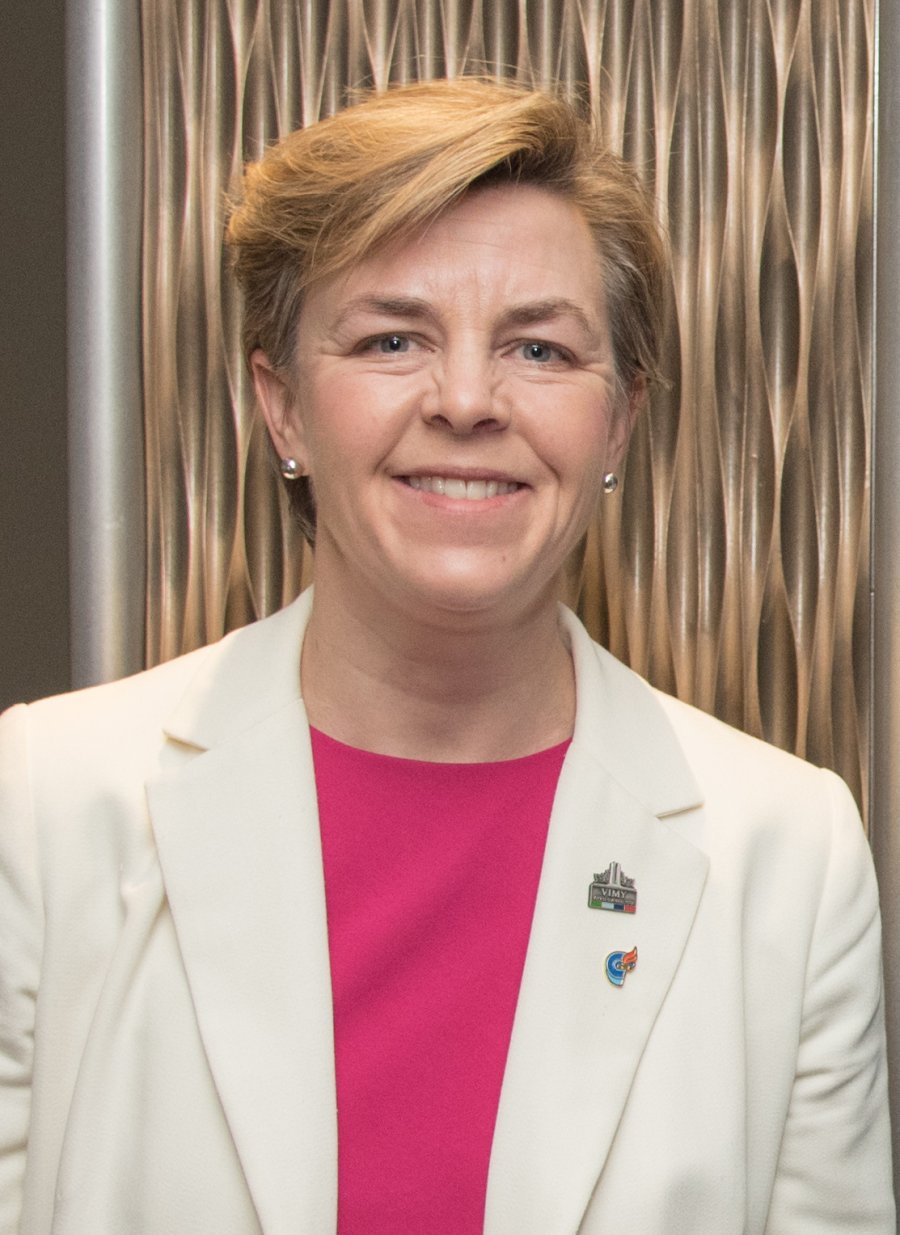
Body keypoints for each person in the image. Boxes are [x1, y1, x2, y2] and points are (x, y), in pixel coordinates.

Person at [0, 77, 893, 1234]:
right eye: (392, 338)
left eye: (539, 347)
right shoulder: (43, 801)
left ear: (619, 418)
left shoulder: (788, 856)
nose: (467, 399)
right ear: (282, 406)